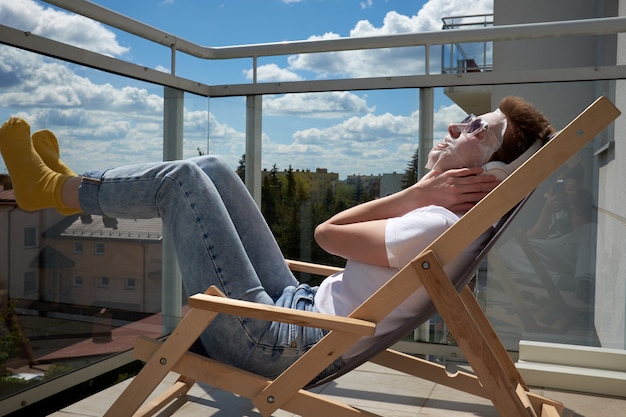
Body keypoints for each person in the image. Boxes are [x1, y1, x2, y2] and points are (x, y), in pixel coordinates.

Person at [0, 95, 553, 379]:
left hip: (276, 345)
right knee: (213, 166)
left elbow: (327, 233)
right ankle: (64, 183)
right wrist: (427, 189)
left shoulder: (432, 223)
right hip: (300, 313)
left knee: (184, 181)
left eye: (472, 132)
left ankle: (52, 187)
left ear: (485, 176)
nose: (454, 128)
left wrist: (417, 193)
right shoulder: (443, 222)